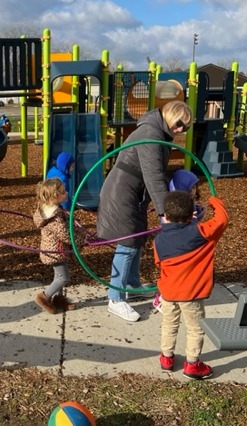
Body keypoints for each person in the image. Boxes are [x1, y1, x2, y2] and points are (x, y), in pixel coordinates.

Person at [96, 100, 193, 322]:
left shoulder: (158, 132)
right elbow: (153, 175)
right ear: (170, 117)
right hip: (122, 193)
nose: (180, 130)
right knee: (128, 242)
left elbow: (156, 174)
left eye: (185, 128)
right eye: (179, 124)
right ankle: (115, 298)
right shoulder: (151, 133)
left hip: (133, 193)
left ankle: (131, 284)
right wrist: (165, 212)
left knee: (137, 240)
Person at [154, 190, 229, 379]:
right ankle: (193, 364)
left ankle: (166, 357)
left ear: (166, 217)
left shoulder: (159, 240)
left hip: (168, 292)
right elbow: (222, 219)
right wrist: (214, 201)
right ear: (191, 215)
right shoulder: (201, 232)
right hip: (191, 294)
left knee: (169, 323)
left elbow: (158, 263)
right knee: (195, 328)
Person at [153, 168, 205, 314]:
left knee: (183, 276)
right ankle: (162, 299)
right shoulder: (174, 205)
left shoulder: (189, 202)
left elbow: (191, 224)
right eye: (190, 187)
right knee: (171, 275)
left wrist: (198, 215)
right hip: (175, 249)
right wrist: (194, 218)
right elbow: (172, 224)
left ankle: (172, 298)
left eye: (195, 187)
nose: (193, 190)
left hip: (187, 246)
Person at [33, 178, 87, 314]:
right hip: (55, 253)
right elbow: (66, 235)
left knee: (59, 277)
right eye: (63, 192)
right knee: (64, 278)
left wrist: (80, 231)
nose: (66, 193)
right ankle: (44, 297)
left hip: (55, 250)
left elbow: (69, 226)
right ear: (53, 197)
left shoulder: (52, 210)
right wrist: (82, 239)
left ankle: (59, 299)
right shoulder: (54, 218)